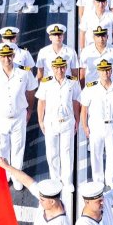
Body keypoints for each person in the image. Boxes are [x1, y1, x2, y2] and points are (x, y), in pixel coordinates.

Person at [0, 44, 37, 186]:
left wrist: (29, 111)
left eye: (9, 55)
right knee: (1, 149)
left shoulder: (24, 72)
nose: (6, 59)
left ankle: (17, 178)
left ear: (13, 55)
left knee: (18, 148)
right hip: (0, 118)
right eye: (3, 56)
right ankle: (4, 177)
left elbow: (31, 91)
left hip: (19, 116)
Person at [79, 59, 113, 186]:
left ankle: (111, 180)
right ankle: (98, 180)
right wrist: (84, 126)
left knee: (112, 153)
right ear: (98, 71)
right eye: (102, 70)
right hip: (96, 125)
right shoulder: (90, 88)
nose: (105, 72)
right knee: (96, 154)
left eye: (107, 70)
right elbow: (84, 109)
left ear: (111, 71)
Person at [36, 55, 81, 187]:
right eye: (57, 68)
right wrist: (40, 120)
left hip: (67, 121)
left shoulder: (73, 82)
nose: (60, 70)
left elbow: (76, 102)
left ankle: (67, 181)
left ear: (66, 68)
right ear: (52, 68)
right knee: (52, 152)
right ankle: (55, 179)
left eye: (62, 67)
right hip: (51, 122)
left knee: (66, 153)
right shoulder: (46, 82)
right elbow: (41, 102)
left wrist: (77, 120)